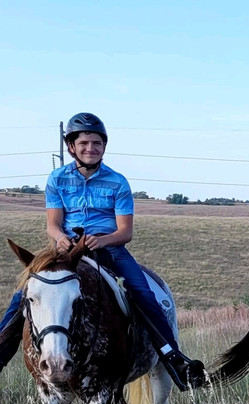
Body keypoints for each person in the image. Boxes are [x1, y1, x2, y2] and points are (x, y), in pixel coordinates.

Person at [0, 113, 207, 389]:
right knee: (24, 295)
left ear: (104, 146)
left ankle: (176, 361)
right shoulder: (57, 179)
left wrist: (105, 240)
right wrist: (60, 238)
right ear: (71, 147)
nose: (90, 148)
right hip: (67, 252)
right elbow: (52, 224)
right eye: (84, 142)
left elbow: (126, 232)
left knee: (144, 294)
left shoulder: (117, 182)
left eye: (96, 143)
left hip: (108, 249)